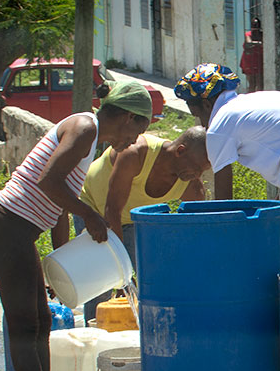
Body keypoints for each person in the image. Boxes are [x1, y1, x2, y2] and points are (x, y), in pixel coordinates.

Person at [0, 80, 152, 371]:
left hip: (16, 231)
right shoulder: (86, 127)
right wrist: (89, 216)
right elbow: (48, 181)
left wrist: (61, 256)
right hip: (8, 228)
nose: (135, 140)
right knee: (26, 326)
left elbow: (59, 200)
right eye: (140, 129)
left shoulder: (87, 139)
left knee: (40, 321)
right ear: (126, 117)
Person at [175, 63, 280, 266]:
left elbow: (223, 199)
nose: (202, 124)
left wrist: (222, 239)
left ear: (206, 104)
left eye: (197, 114)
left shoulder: (221, 123)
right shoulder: (257, 99)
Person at [77, 124, 210, 320]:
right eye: (197, 168)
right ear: (180, 151)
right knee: (102, 280)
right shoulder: (136, 153)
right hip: (93, 209)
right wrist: (122, 274)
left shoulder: (190, 184)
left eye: (203, 171)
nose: (197, 175)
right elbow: (111, 210)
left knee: (152, 279)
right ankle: (96, 339)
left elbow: (197, 230)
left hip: (131, 219)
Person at [238, 16, 264, 92]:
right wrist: (259, 43)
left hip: (259, 60)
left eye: (257, 26)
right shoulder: (248, 34)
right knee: (252, 83)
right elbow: (249, 43)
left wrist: (256, 44)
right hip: (249, 61)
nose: (255, 28)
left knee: (260, 83)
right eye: (254, 25)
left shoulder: (262, 34)